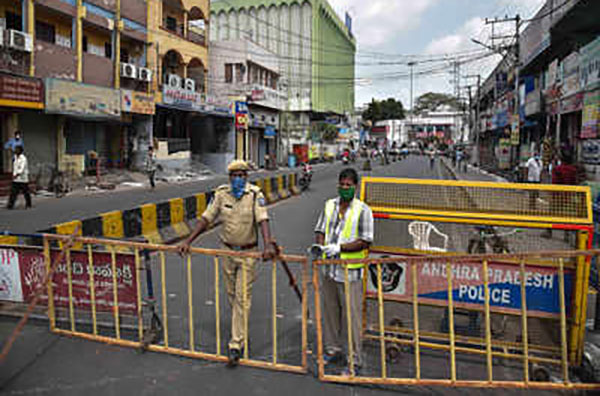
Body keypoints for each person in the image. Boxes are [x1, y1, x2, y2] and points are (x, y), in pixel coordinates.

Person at [178, 160, 277, 367]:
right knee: (232, 295)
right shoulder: (221, 194)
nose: (238, 179)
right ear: (229, 177)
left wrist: (267, 245)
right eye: (234, 175)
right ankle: (239, 329)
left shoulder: (255, 195)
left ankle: (235, 344)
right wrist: (188, 240)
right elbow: (207, 218)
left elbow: (263, 220)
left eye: (242, 175)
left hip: (248, 252)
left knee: (242, 297)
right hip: (227, 251)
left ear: (246, 177)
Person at [314, 168, 374, 376]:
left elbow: (365, 240)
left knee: (352, 318)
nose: (345, 188)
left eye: (349, 185)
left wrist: (339, 248)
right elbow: (320, 230)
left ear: (355, 187)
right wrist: (321, 248)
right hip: (329, 270)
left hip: (350, 272)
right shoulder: (329, 205)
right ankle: (333, 350)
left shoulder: (363, 210)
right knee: (330, 314)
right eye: (342, 184)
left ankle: (354, 360)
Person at [7, 145, 32, 209]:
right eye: (15, 149)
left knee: (26, 192)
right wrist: (14, 175)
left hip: (23, 178)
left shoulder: (23, 158)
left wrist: (17, 174)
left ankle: (29, 204)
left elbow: (22, 168)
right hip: (16, 179)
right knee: (13, 192)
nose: (15, 150)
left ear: (20, 151)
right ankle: (10, 205)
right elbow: (15, 167)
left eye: (17, 149)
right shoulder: (15, 157)